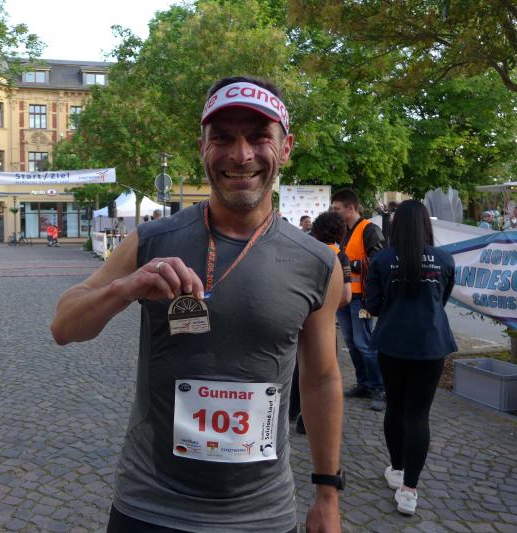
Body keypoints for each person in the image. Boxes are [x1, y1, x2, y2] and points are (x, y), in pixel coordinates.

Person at [51, 75, 343, 532]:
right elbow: (64, 327)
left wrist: (327, 494)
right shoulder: (151, 240)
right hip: (150, 506)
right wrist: (123, 288)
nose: (241, 155)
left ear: (285, 148)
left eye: (259, 137)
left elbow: (322, 378)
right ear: (202, 147)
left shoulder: (317, 262)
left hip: (262, 515)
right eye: (222, 137)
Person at [364, 200, 456, 516]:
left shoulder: (382, 259)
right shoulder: (444, 259)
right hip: (431, 344)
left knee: (395, 406)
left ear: (396, 225)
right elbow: (442, 300)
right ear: (426, 225)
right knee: (418, 415)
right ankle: (409, 491)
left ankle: (397, 469)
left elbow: (372, 305)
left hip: (393, 343)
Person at [290, 211, 353, 435]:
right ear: (341, 233)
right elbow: (346, 295)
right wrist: (328, 307)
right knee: (321, 371)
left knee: (296, 365)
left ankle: (290, 410)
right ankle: (307, 421)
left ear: (315, 230)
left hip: (298, 316)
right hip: (324, 322)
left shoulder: (303, 251)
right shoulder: (339, 256)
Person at [331, 188, 387, 411]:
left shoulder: (369, 230)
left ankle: (380, 387)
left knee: (364, 343)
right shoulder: (342, 230)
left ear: (351, 208)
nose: (334, 212)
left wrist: (349, 265)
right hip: (344, 295)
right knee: (351, 342)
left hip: (361, 297)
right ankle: (364, 383)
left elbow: (378, 261)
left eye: (337, 209)